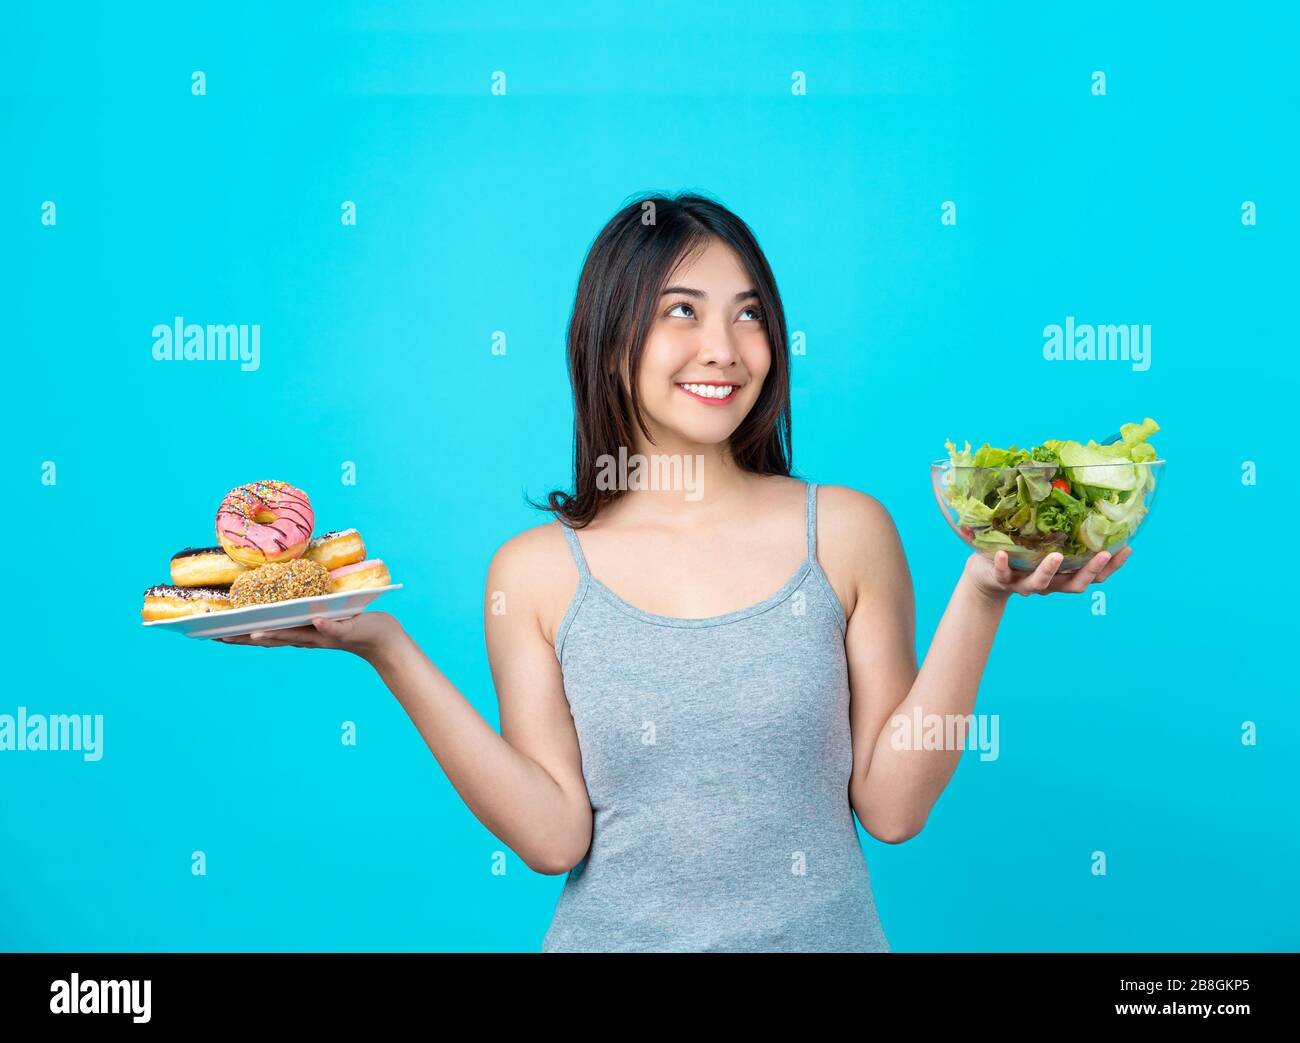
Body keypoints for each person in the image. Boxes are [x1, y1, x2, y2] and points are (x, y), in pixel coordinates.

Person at [220, 191, 1130, 951]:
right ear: (610, 336)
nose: (724, 349)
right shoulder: (536, 572)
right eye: (682, 311)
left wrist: (983, 594)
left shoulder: (846, 532)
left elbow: (893, 808)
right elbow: (551, 835)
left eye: (749, 314)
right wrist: (386, 648)